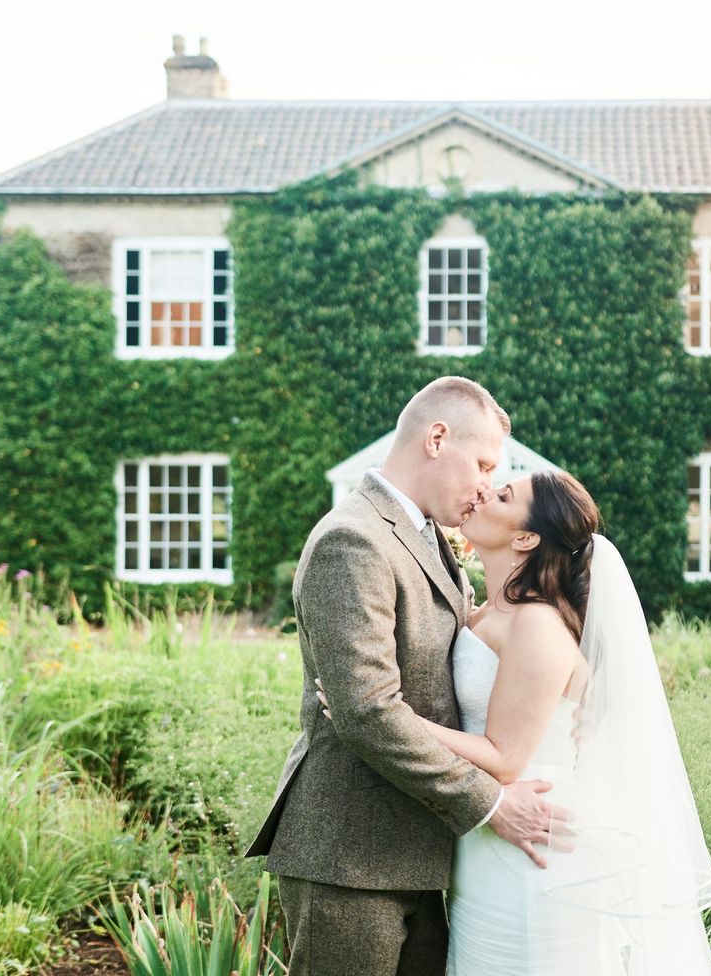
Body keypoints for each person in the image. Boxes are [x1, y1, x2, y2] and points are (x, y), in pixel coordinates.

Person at [318, 468, 711, 974]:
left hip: (535, 848)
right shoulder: (481, 611)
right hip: (484, 842)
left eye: (504, 494)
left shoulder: (536, 621)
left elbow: (506, 758)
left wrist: (379, 714)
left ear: (527, 536)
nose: (486, 489)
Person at [245, 375, 564, 976]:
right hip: (349, 855)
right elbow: (366, 711)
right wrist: (490, 803)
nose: (487, 485)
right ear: (438, 438)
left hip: (417, 850)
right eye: (483, 464)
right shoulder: (353, 539)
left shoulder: (427, 537)